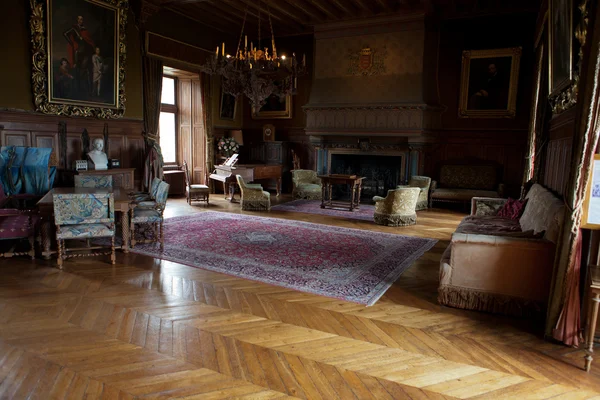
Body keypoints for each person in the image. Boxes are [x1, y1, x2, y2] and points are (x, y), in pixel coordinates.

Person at [63, 15, 95, 97]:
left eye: (82, 19)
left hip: (86, 52)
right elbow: (65, 34)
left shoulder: (85, 30)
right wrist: (72, 43)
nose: (81, 20)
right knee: (78, 70)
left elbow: (89, 40)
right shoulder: (74, 29)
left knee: (87, 70)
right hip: (79, 52)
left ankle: (89, 91)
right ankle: (78, 90)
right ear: (77, 20)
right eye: (79, 19)